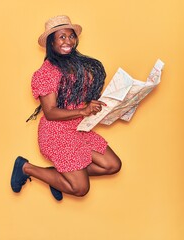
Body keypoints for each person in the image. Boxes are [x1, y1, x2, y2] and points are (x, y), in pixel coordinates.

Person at [11, 15, 122, 201]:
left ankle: (58, 177)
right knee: (80, 188)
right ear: (51, 42)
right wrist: (82, 111)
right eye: (62, 37)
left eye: (71, 36)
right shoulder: (46, 73)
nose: (68, 41)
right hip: (56, 134)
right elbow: (50, 112)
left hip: (79, 128)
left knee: (112, 165)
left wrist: (110, 105)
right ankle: (25, 167)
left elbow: (80, 99)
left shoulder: (78, 67)